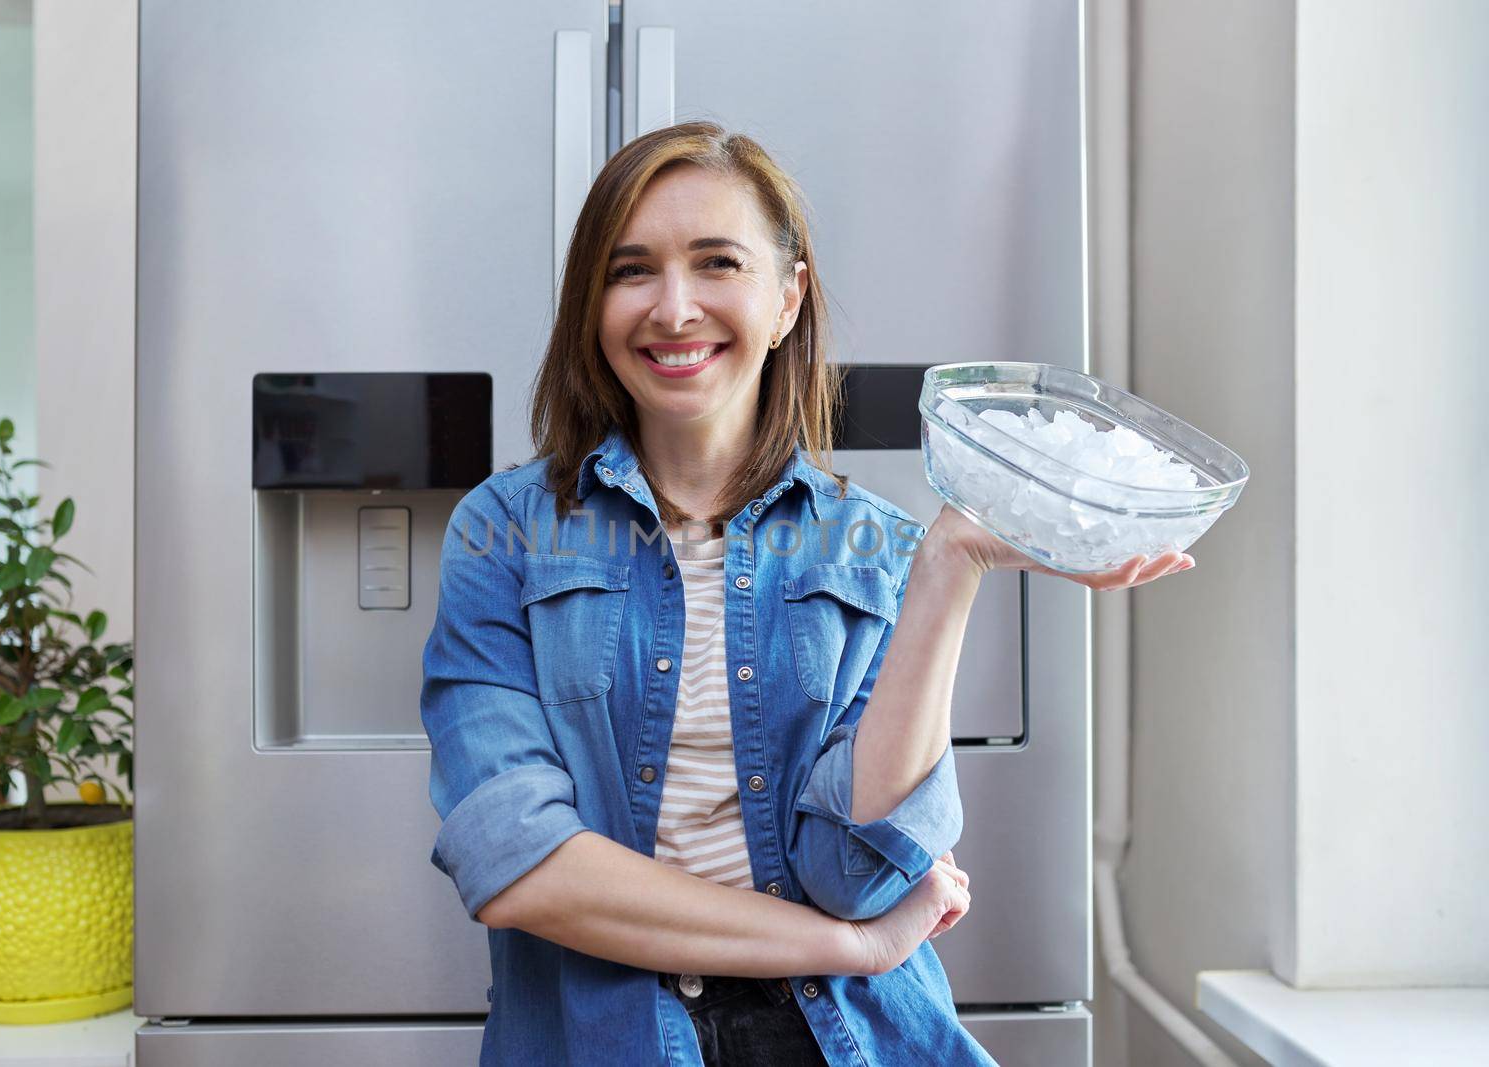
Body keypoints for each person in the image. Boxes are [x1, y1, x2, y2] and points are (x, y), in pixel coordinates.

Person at [419, 121, 1192, 1066]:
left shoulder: (879, 548)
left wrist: (950, 565)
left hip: (847, 1038)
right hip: (600, 1038)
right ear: (591, 304)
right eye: (631, 271)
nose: (673, 308)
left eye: (717, 263)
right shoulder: (503, 532)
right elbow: (519, 867)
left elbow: (858, 871)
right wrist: (846, 948)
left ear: (788, 299)